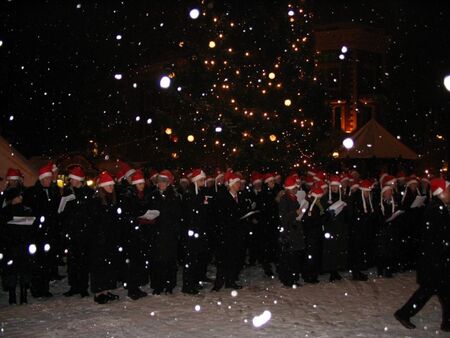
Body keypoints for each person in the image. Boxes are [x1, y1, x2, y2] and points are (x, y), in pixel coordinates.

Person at [394, 178, 450, 332]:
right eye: (448, 190)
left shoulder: (440, 207)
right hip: (435, 259)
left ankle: (447, 322)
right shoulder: (435, 209)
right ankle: (403, 313)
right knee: (428, 290)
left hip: (437, 258)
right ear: (442, 192)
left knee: (441, 291)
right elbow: (437, 236)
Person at [22, 163, 61, 298]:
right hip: (37, 232)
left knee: (46, 262)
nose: (50, 181)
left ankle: (44, 288)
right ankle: (36, 288)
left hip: (48, 232)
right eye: (48, 179)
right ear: (42, 179)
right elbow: (30, 211)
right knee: (37, 262)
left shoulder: (51, 191)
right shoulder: (33, 192)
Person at [88, 171, 121, 304]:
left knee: (108, 266)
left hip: (109, 239)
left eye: (112, 186)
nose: (111, 188)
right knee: (99, 266)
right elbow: (94, 221)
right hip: (98, 240)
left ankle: (106, 290)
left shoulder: (111, 200)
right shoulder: (96, 201)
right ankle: (98, 292)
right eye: (108, 186)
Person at [212, 172, 249, 291]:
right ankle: (219, 283)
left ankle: (230, 280)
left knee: (234, 258)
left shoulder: (240, 197)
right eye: (237, 183)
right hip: (225, 234)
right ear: (231, 184)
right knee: (223, 259)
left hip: (236, 233)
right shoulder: (222, 197)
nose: (239, 185)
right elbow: (220, 216)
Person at [61, 166, 93, 298]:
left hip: (84, 232)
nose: (71, 182)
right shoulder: (67, 193)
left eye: (73, 179)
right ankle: (74, 286)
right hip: (72, 231)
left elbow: (90, 213)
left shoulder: (88, 193)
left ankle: (83, 287)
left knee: (83, 261)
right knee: (72, 261)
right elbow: (63, 212)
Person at [148, 170, 182, 295]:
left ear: (168, 183)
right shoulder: (153, 195)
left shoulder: (174, 196)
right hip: (157, 233)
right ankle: (158, 285)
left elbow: (177, 214)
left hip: (169, 233)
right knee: (158, 260)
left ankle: (169, 285)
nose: (161, 184)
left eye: (164, 182)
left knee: (169, 260)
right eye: (160, 182)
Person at [0, 188, 34, 304]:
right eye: (18, 196)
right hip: (14, 245)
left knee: (19, 269)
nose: (21, 197)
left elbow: (31, 227)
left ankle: (19, 294)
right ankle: (14, 294)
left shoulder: (25, 210)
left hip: (18, 244)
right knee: (14, 270)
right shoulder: (6, 212)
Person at [121, 169, 151, 300]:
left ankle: (135, 286)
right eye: (139, 184)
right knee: (133, 262)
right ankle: (132, 288)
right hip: (132, 234)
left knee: (138, 261)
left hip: (140, 233)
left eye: (143, 184)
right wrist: (139, 219)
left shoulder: (142, 195)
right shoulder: (129, 196)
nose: (142, 186)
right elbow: (128, 215)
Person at [180, 169, 209, 294]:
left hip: (198, 230)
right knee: (190, 258)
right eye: (201, 180)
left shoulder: (200, 192)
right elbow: (189, 214)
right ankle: (188, 285)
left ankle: (194, 281)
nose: (204, 182)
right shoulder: (190, 193)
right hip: (191, 231)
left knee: (196, 258)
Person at [277, 176, 305, 287]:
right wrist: (295, 213)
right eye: (294, 187)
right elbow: (283, 217)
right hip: (289, 233)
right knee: (289, 258)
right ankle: (288, 279)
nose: (296, 189)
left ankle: (293, 278)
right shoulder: (285, 199)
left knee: (294, 257)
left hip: (295, 231)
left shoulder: (293, 198)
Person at [320, 175, 349, 282]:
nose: (334, 188)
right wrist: (329, 214)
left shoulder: (344, 197)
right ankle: (332, 271)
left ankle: (337, 269)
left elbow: (348, 214)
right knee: (331, 249)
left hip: (341, 227)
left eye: (336, 186)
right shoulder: (325, 198)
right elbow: (322, 214)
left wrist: (345, 210)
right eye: (333, 186)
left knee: (339, 249)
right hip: (330, 227)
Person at [348, 180, 375, 281]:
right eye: (366, 192)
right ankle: (356, 272)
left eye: (369, 192)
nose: (368, 194)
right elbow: (354, 215)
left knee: (360, 251)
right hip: (357, 231)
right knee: (356, 252)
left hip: (362, 231)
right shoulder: (356, 199)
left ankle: (358, 271)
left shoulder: (364, 199)